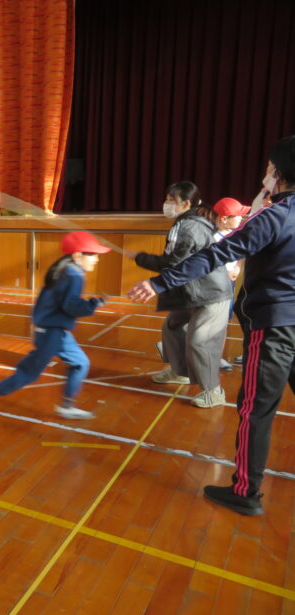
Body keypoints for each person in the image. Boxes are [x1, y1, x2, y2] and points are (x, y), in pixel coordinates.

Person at [128, 135, 295, 516]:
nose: (266, 174)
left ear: (280, 172)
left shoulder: (275, 216)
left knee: (256, 409)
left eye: (270, 168)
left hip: (273, 327)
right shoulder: (275, 213)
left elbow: (215, 255)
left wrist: (157, 281)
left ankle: (245, 492)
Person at [0, 231, 110, 419]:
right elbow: (71, 306)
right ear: (77, 255)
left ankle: (67, 406)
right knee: (29, 374)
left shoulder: (66, 270)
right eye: (93, 254)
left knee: (80, 363)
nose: (96, 259)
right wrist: (94, 304)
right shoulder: (74, 275)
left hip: (56, 330)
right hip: (51, 333)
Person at [126, 182, 233, 408]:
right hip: (192, 291)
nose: (166, 204)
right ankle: (180, 371)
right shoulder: (185, 223)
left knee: (199, 341)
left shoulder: (190, 227)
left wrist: (140, 258)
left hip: (211, 293)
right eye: (166, 199)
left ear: (186, 203)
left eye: (171, 200)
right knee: (173, 326)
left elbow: (174, 263)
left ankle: (214, 391)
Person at [212, 197, 251, 370]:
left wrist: (237, 267)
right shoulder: (212, 238)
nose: (241, 219)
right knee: (212, 322)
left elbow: (242, 254)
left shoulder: (236, 235)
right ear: (224, 218)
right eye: (237, 215)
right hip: (215, 287)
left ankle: (216, 357)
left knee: (223, 322)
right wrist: (223, 272)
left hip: (229, 285)